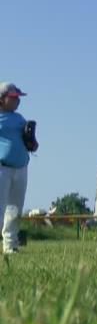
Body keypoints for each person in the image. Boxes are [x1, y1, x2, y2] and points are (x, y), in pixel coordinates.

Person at [0, 82, 36, 254]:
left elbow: (29, 141)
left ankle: (10, 245)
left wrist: (32, 143)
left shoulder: (20, 118)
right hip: (2, 168)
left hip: (21, 167)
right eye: (13, 98)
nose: (17, 101)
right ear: (1, 99)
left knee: (14, 209)